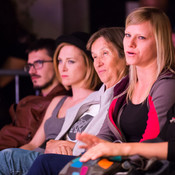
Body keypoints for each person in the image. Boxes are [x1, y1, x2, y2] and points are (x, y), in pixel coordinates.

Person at [27, 7, 175, 174]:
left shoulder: (166, 85)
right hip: (116, 161)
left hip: (139, 166)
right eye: (127, 35)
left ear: (159, 42)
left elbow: (152, 142)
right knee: (46, 161)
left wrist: (112, 152)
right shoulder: (125, 85)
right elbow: (105, 133)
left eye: (141, 37)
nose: (131, 43)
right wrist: (96, 148)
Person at [26, 27, 129, 175]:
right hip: (70, 154)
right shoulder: (102, 94)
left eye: (105, 54)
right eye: (94, 57)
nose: (98, 63)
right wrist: (56, 144)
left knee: (16, 158)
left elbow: (102, 141)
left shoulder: (123, 93)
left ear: (125, 56)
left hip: (104, 159)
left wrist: (70, 146)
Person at [0, 31, 102, 175]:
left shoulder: (98, 100)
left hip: (65, 160)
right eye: (60, 61)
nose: (63, 68)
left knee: (8, 157)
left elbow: (94, 143)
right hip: (40, 157)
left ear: (88, 63)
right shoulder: (58, 101)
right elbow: (33, 144)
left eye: (70, 61)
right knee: (7, 157)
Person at [0, 38, 68, 150]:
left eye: (38, 63)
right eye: (29, 66)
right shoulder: (36, 99)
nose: (31, 71)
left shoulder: (61, 101)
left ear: (57, 62)